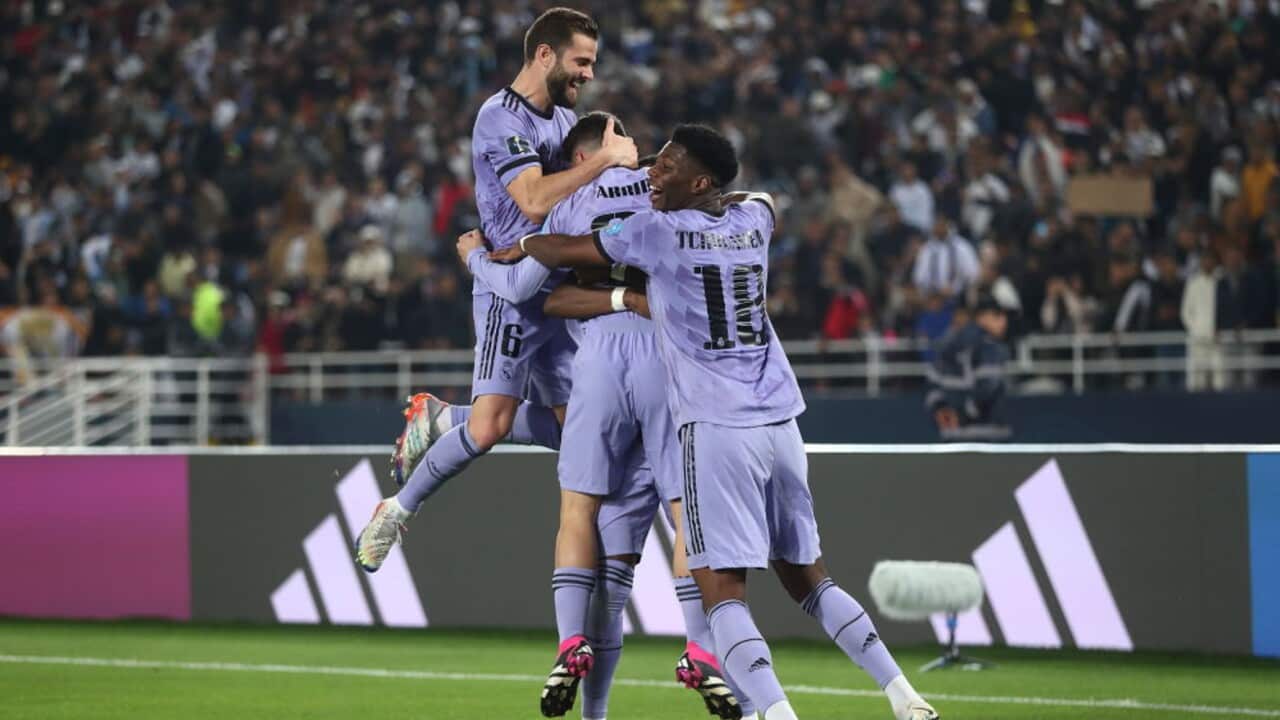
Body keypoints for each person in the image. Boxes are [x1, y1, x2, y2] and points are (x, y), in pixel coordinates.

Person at [506, 124, 939, 720]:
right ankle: (904, 696)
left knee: (722, 595)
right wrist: (706, 197)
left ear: (700, 180)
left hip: (715, 428)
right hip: (781, 422)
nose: (651, 174)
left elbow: (564, 253)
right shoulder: (755, 219)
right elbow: (753, 199)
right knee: (811, 580)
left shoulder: (655, 232)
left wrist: (519, 246)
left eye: (668, 166)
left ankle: (778, 714)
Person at [461, 112, 745, 719]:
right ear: (604, 148)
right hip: (665, 352)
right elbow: (723, 216)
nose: (643, 151)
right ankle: (699, 646)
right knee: (684, 509)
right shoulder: (660, 189)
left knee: (577, 508)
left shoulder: (566, 207)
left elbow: (523, 291)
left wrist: (477, 257)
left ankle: (570, 643)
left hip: (598, 355)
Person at [354, 8, 637, 571]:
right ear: (545, 55)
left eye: (592, 65)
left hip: (554, 290)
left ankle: (441, 419)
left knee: (573, 430)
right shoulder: (498, 117)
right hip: (509, 294)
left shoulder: (559, 120)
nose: (588, 75)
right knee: (490, 427)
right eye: (581, 62)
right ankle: (396, 510)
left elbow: (554, 209)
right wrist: (604, 160)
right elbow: (534, 199)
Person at [926, 296, 1011, 440]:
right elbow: (988, 388)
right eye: (997, 316)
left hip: (953, 435)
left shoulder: (949, 342)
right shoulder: (990, 345)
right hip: (987, 435)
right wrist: (965, 414)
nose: (1004, 321)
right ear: (982, 317)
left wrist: (940, 407)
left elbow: (931, 381)